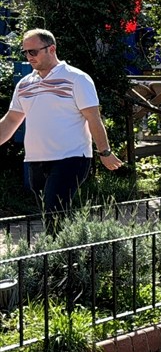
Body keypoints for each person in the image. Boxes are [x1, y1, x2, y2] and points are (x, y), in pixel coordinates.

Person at [0, 29, 123, 217]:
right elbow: (11, 120)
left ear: (51, 49)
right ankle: (73, 244)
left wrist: (105, 152)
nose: (29, 56)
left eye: (33, 51)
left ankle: (62, 246)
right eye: (25, 52)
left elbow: (93, 118)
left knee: (54, 212)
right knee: (51, 214)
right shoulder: (24, 84)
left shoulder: (77, 79)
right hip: (35, 159)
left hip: (71, 157)